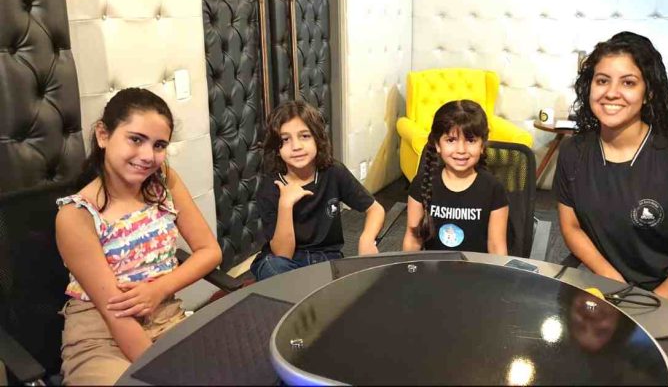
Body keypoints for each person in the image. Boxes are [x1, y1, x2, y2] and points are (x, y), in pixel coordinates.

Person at [55, 88, 222, 384]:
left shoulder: (164, 181)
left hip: (166, 317)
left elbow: (210, 251)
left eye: (159, 145)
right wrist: (163, 373)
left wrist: (158, 290)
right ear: (103, 135)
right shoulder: (76, 215)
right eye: (135, 139)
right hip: (103, 335)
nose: (147, 156)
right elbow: (115, 314)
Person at [554, 31, 668, 302]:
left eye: (628, 82)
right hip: (609, 288)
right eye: (602, 81)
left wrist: (649, 305)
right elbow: (571, 228)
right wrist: (611, 281)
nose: (612, 93)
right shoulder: (572, 152)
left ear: (648, 93)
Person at [251, 100, 385, 281]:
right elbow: (283, 254)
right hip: (284, 260)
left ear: (317, 139)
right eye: (285, 139)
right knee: (273, 268)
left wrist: (367, 239)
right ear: (277, 148)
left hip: (326, 257)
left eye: (304, 136)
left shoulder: (333, 172)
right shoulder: (270, 186)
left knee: (353, 281)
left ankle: (308, 292)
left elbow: (375, 209)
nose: (296, 146)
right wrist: (285, 205)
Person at [403, 100, 509, 254]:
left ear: (482, 145)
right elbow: (413, 242)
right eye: (451, 140)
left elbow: (496, 247)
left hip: (477, 268)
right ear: (438, 145)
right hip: (433, 268)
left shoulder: (493, 188)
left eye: (471, 140)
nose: (461, 150)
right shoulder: (422, 183)